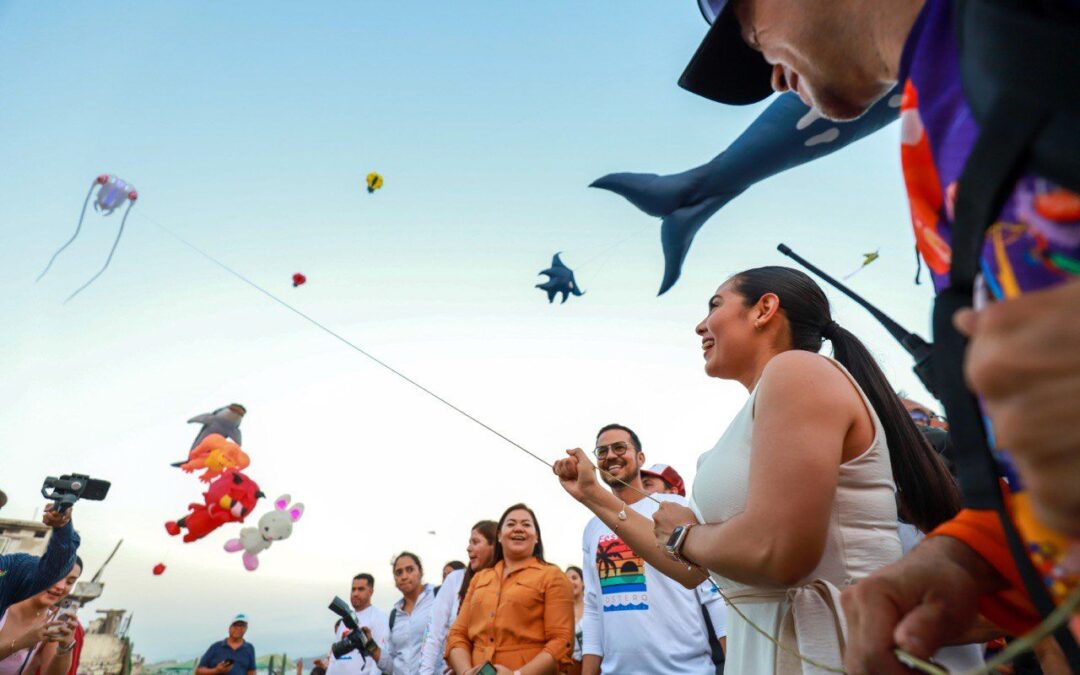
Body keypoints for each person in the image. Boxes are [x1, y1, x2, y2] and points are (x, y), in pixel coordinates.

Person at [676, 0, 1080, 668]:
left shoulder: (1026, 32)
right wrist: (976, 558)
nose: (772, 78)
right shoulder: (940, 121)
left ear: (766, 309)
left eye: (751, 34)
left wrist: (689, 540)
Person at [555, 267, 962, 673]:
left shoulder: (798, 371)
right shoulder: (767, 400)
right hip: (774, 648)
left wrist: (685, 535)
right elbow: (693, 569)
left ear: (765, 308)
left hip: (825, 647)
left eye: (715, 305)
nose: (701, 325)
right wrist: (594, 495)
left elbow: (778, 551)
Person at [568, 425, 727, 675]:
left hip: (687, 670)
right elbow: (593, 605)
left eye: (620, 447)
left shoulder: (672, 507)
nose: (610, 455)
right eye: (601, 451)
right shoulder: (592, 527)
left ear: (640, 458)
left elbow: (712, 592)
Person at [445, 504, 573, 675]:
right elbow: (457, 635)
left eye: (526, 525)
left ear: (536, 537)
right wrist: (465, 672)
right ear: (499, 535)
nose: (518, 529)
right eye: (511, 524)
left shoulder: (553, 576)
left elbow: (562, 641)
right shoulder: (479, 578)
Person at [420, 521, 497, 675]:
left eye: (475, 542)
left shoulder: (506, 583)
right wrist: (425, 672)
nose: (468, 548)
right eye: (469, 542)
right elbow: (434, 632)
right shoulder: (456, 579)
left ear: (494, 546)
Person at [0, 558, 83, 675]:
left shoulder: (52, 623)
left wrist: (65, 647)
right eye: (57, 576)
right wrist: (20, 643)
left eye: (69, 582)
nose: (61, 586)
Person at [0, 505, 80, 618]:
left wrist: (62, 525)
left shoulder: (8, 569)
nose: (60, 587)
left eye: (70, 582)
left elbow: (54, 568)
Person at [317, 574, 390, 675]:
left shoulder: (379, 618)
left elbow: (378, 657)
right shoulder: (345, 619)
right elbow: (334, 657)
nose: (355, 593)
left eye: (360, 589)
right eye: (353, 589)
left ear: (371, 592)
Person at [387, 552, 437, 674]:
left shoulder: (438, 598)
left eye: (409, 570)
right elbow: (392, 661)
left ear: (420, 571)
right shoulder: (395, 615)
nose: (404, 576)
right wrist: (371, 647)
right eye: (399, 573)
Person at [564, 567, 585, 675]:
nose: (571, 582)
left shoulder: (593, 607)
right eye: (567, 579)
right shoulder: (560, 611)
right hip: (571, 666)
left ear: (583, 582)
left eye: (574, 578)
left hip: (595, 664)